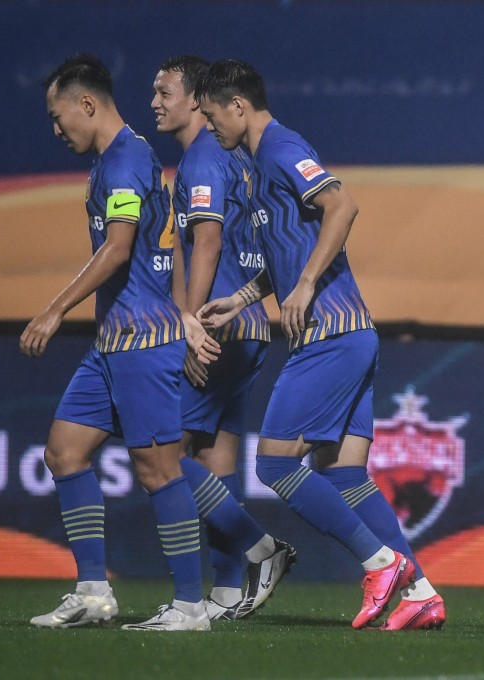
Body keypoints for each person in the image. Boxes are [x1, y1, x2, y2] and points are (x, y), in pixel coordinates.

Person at [194, 59, 445, 630]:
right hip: (351, 334)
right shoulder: (257, 165)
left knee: (275, 466)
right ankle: (421, 593)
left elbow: (343, 205)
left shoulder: (281, 146)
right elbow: (289, 249)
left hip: (329, 336)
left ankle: (382, 565)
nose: (210, 126)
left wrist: (306, 283)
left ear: (238, 106)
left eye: (212, 115)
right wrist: (242, 299)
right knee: (344, 476)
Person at [22, 54, 209, 631]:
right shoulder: (116, 159)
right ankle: (94, 592)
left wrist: (55, 310)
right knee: (64, 453)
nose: (57, 131)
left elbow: (120, 247)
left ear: (86, 104)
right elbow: (162, 248)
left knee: (158, 471)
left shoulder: (126, 159)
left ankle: (190, 605)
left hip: (141, 343)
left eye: (59, 118)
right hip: (114, 342)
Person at [152, 55, 296, 621]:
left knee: (159, 448)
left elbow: (206, 242)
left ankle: (260, 548)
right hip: (252, 322)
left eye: (165, 92)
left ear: (196, 100)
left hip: (217, 324)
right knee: (214, 462)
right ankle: (228, 590)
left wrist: (189, 324)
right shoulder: (233, 155)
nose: (156, 103)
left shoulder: (202, 158)